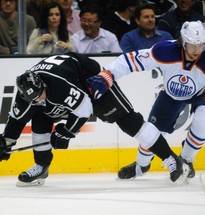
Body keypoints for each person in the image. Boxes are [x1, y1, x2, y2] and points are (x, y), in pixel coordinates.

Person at [100, 21, 205, 180]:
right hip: (173, 92)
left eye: (201, 45)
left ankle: (186, 160)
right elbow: (131, 61)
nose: (197, 51)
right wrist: (108, 75)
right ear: (182, 41)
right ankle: (141, 165)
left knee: (204, 120)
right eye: (192, 45)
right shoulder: (164, 51)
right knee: (152, 130)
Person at [0, 52, 189, 186]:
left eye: (41, 94)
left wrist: (66, 132)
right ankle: (41, 166)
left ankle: (172, 159)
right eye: (34, 99)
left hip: (93, 82)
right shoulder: (26, 96)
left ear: (42, 84)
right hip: (70, 86)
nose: (39, 99)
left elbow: (84, 109)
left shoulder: (57, 85)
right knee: (40, 116)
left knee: (128, 121)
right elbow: (15, 122)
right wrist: (4, 143)